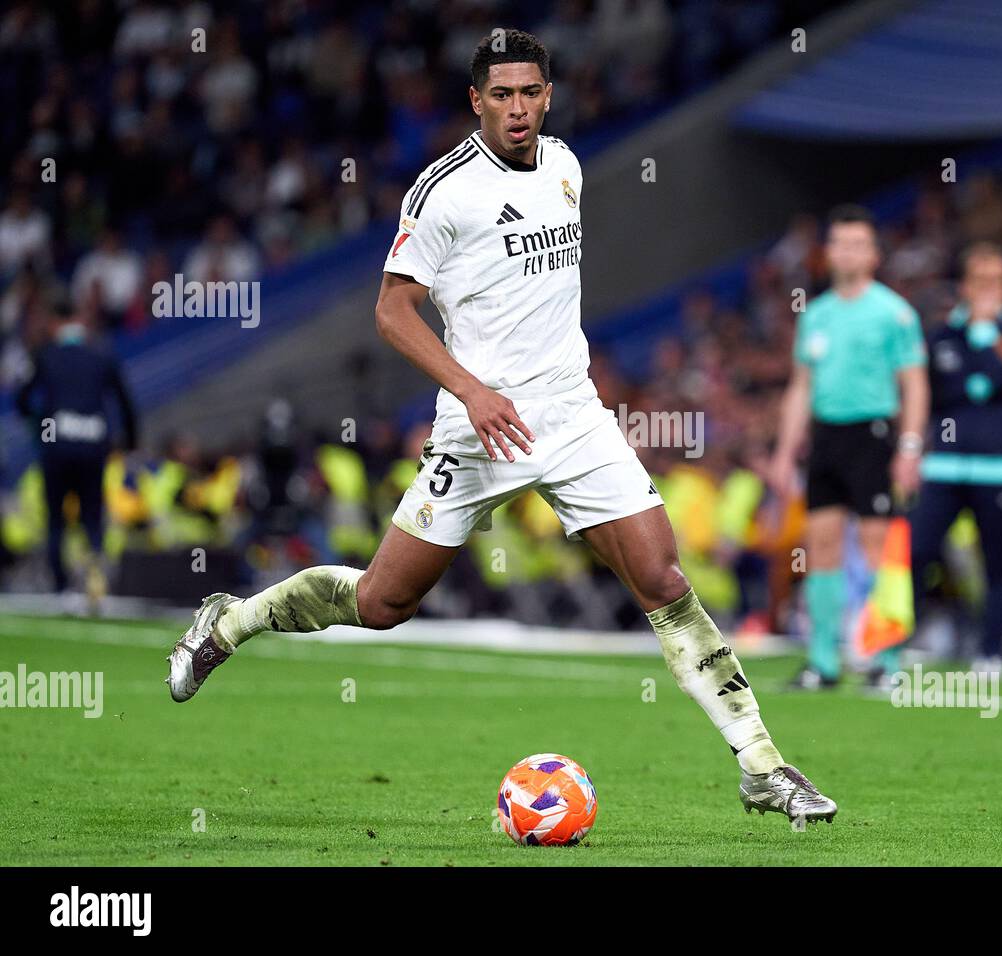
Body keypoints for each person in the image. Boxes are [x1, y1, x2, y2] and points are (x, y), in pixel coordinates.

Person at [165, 29, 836, 824]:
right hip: (479, 432)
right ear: (476, 102)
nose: (518, 109)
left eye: (530, 93)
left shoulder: (565, 166)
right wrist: (474, 391)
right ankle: (233, 619)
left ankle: (763, 766)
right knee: (383, 604)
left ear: (548, 96)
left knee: (663, 577)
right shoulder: (444, 192)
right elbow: (392, 312)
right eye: (502, 95)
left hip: (573, 414)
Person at [770, 204, 929, 689]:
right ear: (828, 252)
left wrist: (910, 447)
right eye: (840, 243)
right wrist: (783, 452)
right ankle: (824, 661)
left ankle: (886, 659)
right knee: (820, 545)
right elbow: (800, 386)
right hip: (827, 437)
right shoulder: (814, 315)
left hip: (874, 434)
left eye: (858, 243)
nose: (848, 252)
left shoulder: (894, 313)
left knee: (879, 546)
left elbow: (915, 384)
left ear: (875, 254)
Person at [909, 243, 1002, 673]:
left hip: (998, 468)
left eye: (996, 282)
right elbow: (943, 392)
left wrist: (984, 339)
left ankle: (991, 651)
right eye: (980, 281)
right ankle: (908, 638)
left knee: (995, 560)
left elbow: (999, 382)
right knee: (918, 551)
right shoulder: (939, 337)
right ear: (964, 286)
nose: (988, 290)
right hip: (944, 466)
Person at [16, 294, 137, 606]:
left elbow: (23, 398)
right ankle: (94, 573)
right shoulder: (101, 355)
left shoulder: (46, 354)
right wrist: (130, 440)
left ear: (56, 322)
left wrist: (38, 422)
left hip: (57, 443)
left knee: (56, 518)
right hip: (93, 445)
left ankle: (59, 586)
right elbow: (125, 403)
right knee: (92, 517)